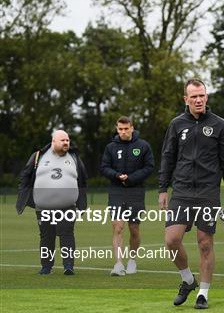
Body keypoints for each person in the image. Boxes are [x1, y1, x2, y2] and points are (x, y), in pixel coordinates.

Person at [159, 78, 224, 310]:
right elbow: (167, 157)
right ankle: (188, 280)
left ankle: (203, 293)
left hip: (208, 192)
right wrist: (163, 188)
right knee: (171, 240)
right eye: (194, 97)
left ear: (206, 96)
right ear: (186, 99)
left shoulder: (220, 124)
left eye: (202, 95)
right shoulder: (177, 124)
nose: (199, 100)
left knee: (204, 244)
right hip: (181, 191)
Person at [17, 130, 87, 275]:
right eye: (62, 140)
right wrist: (25, 197)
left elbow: (83, 179)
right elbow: (25, 177)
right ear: (53, 141)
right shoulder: (38, 156)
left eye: (67, 140)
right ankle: (46, 267)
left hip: (67, 207)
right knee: (46, 237)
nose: (66, 142)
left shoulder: (74, 156)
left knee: (67, 234)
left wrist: (81, 202)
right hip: (43, 207)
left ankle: (68, 266)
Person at [101, 116, 155, 276]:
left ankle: (132, 260)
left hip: (135, 191)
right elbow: (104, 167)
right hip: (116, 190)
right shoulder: (110, 147)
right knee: (118, 227)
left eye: (126, 129)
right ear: (117, 129)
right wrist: (117, 175)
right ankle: (118, 264)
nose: (123, 132)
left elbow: (149, 167)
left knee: (134, 228)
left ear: (132, 128)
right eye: (120, 129)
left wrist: (131, 178)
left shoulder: (143, 146)